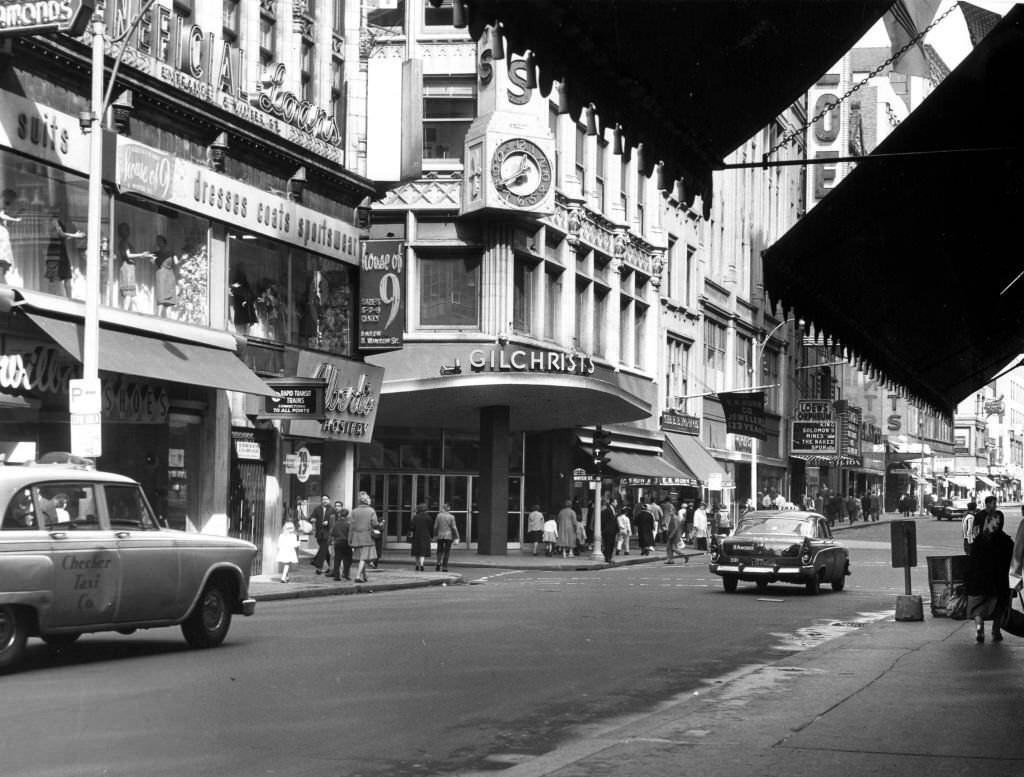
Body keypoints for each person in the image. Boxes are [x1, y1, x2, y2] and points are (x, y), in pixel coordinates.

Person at [966, 506, 1013, 643]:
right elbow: (1012, 559)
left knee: (977, 608)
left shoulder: (979, 540)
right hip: (999, 581)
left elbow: (972, 561)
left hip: (978, 581)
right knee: (999, 606)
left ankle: (979, 628)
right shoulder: (1005, 541)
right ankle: (996, 630)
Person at [116, 222, 155, 311]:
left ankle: (139, 313)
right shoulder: (124, 243)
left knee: (132, 294)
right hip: (127, 268)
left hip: (129, 268)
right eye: (125, 230)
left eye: (127, 230)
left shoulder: (125, 243)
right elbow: (128, 255)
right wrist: (142, 255)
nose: (127, 232)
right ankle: (125, 313)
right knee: (129, 293)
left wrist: (146, 255)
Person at [49, 213, 85, 297]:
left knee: (65, 276)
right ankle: (58, 299)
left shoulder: (57, 221)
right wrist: (75, 235)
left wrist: (74, 236)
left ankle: (69, 299)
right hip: (56, 252)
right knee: (58, 277)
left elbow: (62, 236)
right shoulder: (54, 221)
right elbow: (61, 234)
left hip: (60, 251)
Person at [348, 491, 380, 583]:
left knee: (362, 557)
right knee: (364, 558)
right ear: (367, 501)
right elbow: (374, 523)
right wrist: (380, 524)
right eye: (369, 498)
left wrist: (349, 539)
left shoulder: (354, 511)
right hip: (367, 536)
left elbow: (351, 526)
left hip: (356, 537)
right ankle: (358, 576)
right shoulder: (371, 510)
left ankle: (364, 576)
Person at [153, 234, 178, 317]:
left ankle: (169, 320)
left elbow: (177, 263)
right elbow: (151, 260)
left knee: (169, 300)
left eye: (159, 241)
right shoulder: (156, 254)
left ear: (164, 242)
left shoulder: (171, 253)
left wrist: (182, 260)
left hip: (170, 276)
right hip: (161, 276)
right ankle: (159, 317)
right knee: (161, 298)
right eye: (157, 241)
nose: (158, 243)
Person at [310, 494, 335, 575]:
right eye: (323, 499)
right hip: (319, 532)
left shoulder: (332, 510)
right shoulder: (317, 509)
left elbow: (335, 520)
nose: (325, 501)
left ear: (329, 500)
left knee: (323, 548)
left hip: (328, 532)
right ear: (321, 501)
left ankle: (318, 566)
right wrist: (312, 519)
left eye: (326, 499)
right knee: (325, 551)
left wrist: (328, 522)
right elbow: (312, 517)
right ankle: (331, 568)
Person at [0, 189, 21, 284]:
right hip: (2, 243)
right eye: (6, 203)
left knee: (2, 269)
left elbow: (7, 223)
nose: (6, 208)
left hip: (4, 242)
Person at [433, 502, 459, 572]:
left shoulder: (439, 516)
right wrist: (457, 537)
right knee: (447, 552)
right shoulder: (451, 517)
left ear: (443, 508)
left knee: (439, 551)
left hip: (440, 535)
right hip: (448, 536)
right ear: (448, 508)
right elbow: (454, 527)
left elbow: (435, 527)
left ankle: (438, 564)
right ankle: (444, 567)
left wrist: (435, 535)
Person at [329, 507, 353, 581]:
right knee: (348, 559)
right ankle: (345, 574)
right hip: (346, 542)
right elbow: (350, 534)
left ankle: (336, 575)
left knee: (337, 559)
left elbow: (332, 533)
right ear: (347, 515)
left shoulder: (336, 524)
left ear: (339, 515)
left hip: (338, 542)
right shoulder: (348, 524)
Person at [409, 503, 433, 572]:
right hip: (425, 536)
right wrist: (431, 536)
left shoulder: (415, 517)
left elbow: (411, 527)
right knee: (422, 552)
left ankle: (417, 565)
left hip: (416, 536)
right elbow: (430, 527)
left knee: (417, 552)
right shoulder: (428, 517)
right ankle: (422, 565)